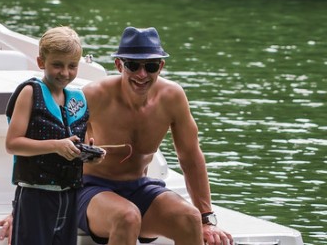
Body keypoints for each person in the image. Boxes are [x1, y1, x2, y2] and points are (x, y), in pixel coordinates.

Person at [75, 27, 233, 245]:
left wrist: (207, 219)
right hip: (91, 188)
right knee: (126, 217)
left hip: (139, 186)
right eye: (133, 65)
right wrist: (23, 208)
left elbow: (190, 157)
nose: (142, 74)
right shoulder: (92, 95)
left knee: (190, 219)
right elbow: (54, 146)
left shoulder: (172, 97)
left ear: (161, 66)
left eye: (150, 66)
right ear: (119, 64)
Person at [3, 26, 92, 244]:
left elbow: (88, 138)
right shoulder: (30, 92)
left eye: (72, 66)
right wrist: (55, 145)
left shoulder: (76, 99)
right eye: (57, 65)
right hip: (35, 196)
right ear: (41, 62)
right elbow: (12, 144)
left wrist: (91, 152)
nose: (65, 73)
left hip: (69, 197)